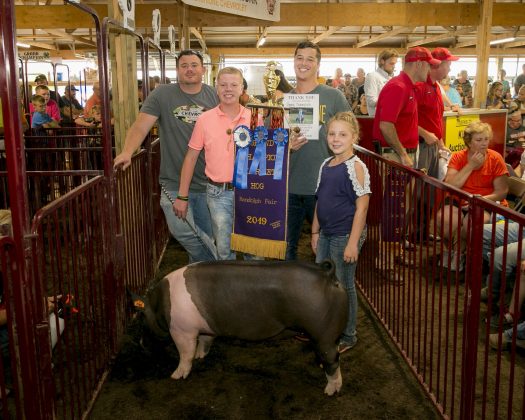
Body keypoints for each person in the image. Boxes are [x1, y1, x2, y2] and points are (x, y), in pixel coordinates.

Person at [114, 49, 219, 263]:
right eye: (184, 65)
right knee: (183, 232)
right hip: (173, 180)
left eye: (194, 65)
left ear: (203, 69)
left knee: (204, 237)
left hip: (209, 182)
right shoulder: (162, 95)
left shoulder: (214, 95)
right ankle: (219, 263)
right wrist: (127, 151)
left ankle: (199, 285)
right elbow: (140, 126)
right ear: (177, 70)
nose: (189, 69)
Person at [174, 67, 250, 260]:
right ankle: (227, 289)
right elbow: (191, 157)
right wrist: (182, 196)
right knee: (224, 250)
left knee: (254, 249)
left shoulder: (255, 117)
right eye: (223, 84)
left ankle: (253, 289)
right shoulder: (204, 119)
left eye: (234, 84)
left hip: (252, 193)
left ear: (242, 89)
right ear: (216, 88)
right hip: (218, 193)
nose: (228, 89)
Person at [311, 112, 370, 353]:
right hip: (325, 233)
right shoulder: (326, 164)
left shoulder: (356, 167)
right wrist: (314, 232)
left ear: (354, 137)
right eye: (332, 134)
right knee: (324, 281)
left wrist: (353, 243)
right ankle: (328, 325)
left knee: (343, 285)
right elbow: (320, 200)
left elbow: (362, 206)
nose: (336, 139)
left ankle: (348, 334)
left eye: (343, 134)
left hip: (345, 235)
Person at [286, 41, 350, 260]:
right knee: (287, 251)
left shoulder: (334, 96)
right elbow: (272, 143)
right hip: (291, 187)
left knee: (326, 250)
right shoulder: (282, 101)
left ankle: (328, 291)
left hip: (325, 187)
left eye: (310, 59)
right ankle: (289, 292)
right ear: (294, 62)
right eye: (299, 58)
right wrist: (287, 146)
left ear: (318, 65)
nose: (303, 63)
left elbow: (351, 135)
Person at [438, 121, 509, 271]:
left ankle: (460, 254)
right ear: (469, 142)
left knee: (469, 223)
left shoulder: (495, 158)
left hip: (485, 201)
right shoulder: (458, 157)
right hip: (459, 198)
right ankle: (448, 250)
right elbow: (451, 186)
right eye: (479, 140)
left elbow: (502, 191)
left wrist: (480, 199)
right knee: (443, 219)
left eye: (486, 139)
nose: (484, 144)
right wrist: (470, 165)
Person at [374, 47, 440, 168]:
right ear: (419, 64)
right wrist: (403, 154)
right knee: (399, 188)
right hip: (395, 155)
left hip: (402, 153)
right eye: (428, 65)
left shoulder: (409, 87)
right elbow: (386, 125)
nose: (430, 70)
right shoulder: (398, 87)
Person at [415, 47, 457, 178]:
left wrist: (440, 143)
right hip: (421, 145)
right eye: (448, 65)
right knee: (419, 186)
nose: (450, 69)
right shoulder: (420, 86)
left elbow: (435, 119)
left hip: (432, 144)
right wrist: (424, 134)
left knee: (431, 185)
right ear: (437, 65)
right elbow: (405, 119)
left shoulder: (436, 87)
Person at [364, 49, 399, 117]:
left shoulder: (392, 79)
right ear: (382, 61)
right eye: (391, 63)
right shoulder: (372, 76)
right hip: (377, 119)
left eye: (395, 64)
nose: (394, 66)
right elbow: (371, 101)